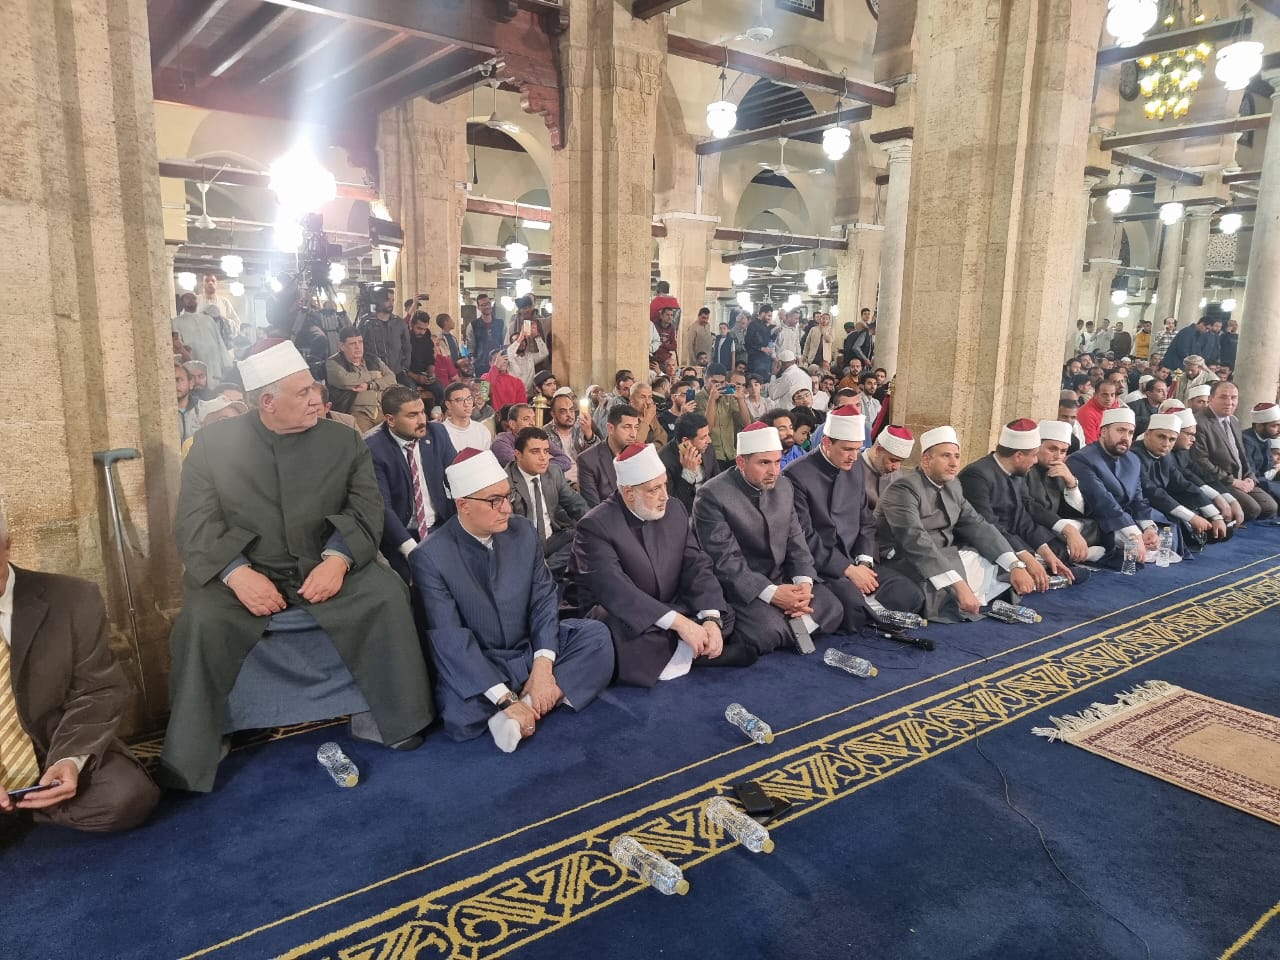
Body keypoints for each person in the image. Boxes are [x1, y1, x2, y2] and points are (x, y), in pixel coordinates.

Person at [161, 340, 435, 792]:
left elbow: (366, 507)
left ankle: (387, 715)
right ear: (267, 402)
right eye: (304, 392)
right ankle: (206, 736)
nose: (317, 399)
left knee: (387, 594)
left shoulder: (343, 438)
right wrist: (236, 574)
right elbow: (194, 523)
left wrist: (338, 559)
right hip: (243, 571)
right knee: (200, 619)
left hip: (326, 561)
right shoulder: (211, 445)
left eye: (315, 388)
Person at [411, 449, 613, 751]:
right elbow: (451, 639)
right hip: (485, 660)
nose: (507, 508)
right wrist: (503, 697)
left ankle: (530, 703)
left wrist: (542, 668)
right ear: (463, 505)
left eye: (508, 496)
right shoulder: (430, 556)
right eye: (495, 501)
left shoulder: (523, 531)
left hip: (528, 648)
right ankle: (531, 700)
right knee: (460, 716)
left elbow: (543, 600)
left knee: (596, 637)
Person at [0, 504, 159, 832]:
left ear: (7, 543)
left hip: (54, 744)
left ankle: (32, 804)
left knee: (127, 797)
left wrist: (69, 758)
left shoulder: (73, 598)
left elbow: (98, 690)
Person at [691, 422, 843, 658]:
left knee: (834, 607)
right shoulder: (712, 495)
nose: (774, 471)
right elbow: (725, 562)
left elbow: (796, 541)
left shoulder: (783, 485)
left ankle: (790, 626)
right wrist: (773, 594)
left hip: (783, 578)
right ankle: (794, 627)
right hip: (744, 587)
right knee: (767, 631)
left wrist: (803, 584)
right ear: (741, 463)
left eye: (777, 461)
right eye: (764, 463)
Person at [785, 406, 924, 632]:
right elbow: (805, 537)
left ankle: (873, 612)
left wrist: (864, 562)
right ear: (827, 443)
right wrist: (847, 569)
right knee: (852, 608)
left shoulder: (855, 466)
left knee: (910, 594)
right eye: (847, 449)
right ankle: (872, 613)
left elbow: (865, 521)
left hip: (855, 558)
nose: (853, 456)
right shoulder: (796, 474)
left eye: (858, 449)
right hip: (825, 565)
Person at [876, 426, 1033, 622]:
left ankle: (967, 593)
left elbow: (977, 524)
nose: (954, 463)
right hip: (908, 558)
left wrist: (1015, 564)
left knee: (994, 562)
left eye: (957, 456)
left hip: (947, 554)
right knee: (928, 589)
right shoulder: (904, 489)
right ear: (926, 460)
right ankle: (964, 594)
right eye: (946, 456)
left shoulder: (953, 485)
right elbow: (915, 541)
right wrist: (959, 584)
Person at [957, 419, 1085, 583]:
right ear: (1018, 456)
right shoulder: (977, 476)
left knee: (1050, 552)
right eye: (1034, 455)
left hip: (1009, 539)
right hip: (985, 542)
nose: (1036, 461)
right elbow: (988, 525)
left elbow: (1022, 517)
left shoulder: (1016, 472)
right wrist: (1024, 555)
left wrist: (1044, 550)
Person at [365, 386, 457, 583]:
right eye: (412, 415)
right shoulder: (373, 448)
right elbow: (382, 507)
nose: (422, 420)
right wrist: (412, 551)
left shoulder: (437, 433)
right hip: (401, 535)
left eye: (422, 412)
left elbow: (457, 478)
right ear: (390, 420)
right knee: (421, 585)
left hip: (440, 527)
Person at [1068, 406, 1161, 566]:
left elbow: (1138, 499)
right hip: (1100, 523)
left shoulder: (1132, 460)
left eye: (1130, 433)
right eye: (1120, 430)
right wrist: (1134, 534)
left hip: (1125, 521)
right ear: (1104, 432)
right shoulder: (1082, 459)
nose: (1126, 437)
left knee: (1158, 541)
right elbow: (1101, 500)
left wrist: (1148, 529)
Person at [1132, 410, 1228, 554]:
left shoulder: (1165, 456)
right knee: (1172, 532)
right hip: (1139, 507)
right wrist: (1192, 517)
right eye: (1161, 437)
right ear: (1147, 434)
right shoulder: (1134, 456)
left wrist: (1215, 515)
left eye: (1172, 439)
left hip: (1160, 503)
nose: (1166, 444)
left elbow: (1183, 484)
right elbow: (1152, 492)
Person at [505, 427, 588, 580]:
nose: (544, 458)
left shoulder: (553, 472)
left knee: (588, 536)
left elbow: (575, 504)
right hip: (523, 545)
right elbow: (507, 529)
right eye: (535, 452)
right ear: (518, 454)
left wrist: (594, 524)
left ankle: (544, 570)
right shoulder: (505, 481)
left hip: (552, 538)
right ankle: (548, 572)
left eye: (546, 451)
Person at [1191, 381, 1279, 521]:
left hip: (1240, 477)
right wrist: (1233, 481)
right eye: (1223, 397)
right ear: (1211, 399)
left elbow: (1241, 455)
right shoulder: (1200, 422)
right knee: (1252, 509)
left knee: (1270, 507)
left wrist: (1250, 477)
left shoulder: (1233, 420)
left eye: (1233, 398)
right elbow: (1201, 461)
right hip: (1218, 480)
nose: (1229, 402)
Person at [1025, 420, 1104, 563]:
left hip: (1055, 528)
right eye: (1052, 449)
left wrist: (1071, 484)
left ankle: (1066, 552)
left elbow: (1073, 513)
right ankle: (1069, 554)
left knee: (1092, 526)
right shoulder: (1025, 469)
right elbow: (1029, 509)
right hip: (1033, 527)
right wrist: (1065, 528)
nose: (1057, 456)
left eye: (1063, 451)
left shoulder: (1060, 470)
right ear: (1037, 447)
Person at [325, 326, 398, 432]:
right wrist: (374, 375)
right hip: (356, 412)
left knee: (397, 432)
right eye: (352, 343)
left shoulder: (372, 359)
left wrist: (370, 385)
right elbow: (345, 380)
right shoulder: (333, 363)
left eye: (360, 342)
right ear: (342, 346)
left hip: (381, 409)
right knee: (362, 438)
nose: (358, 347)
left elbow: (392, 379)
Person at [578, 403, 642, 506]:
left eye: (636, 427)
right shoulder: (588, 461)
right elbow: (594, 509)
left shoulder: (640, 455)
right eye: (627, 427)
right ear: (610, 428)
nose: (633, 434)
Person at [658, 412, 719, 513]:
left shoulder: (707, 448)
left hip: (710, 506)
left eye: (708, 435)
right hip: (686, 512)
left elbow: (717, 481)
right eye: (703, 437)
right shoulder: (664, 461)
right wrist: (688, 473)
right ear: (686, 441)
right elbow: (674, 505)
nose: (709, 440)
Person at [490, 403, 573, 472]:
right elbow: (516, 467)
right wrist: (545, 462)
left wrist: (541, 465)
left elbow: (565, 461)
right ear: (512, 424)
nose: (532, 423)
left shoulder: (538, 438)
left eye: (533, 418)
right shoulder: (502, 442)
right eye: (526, 419)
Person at [173, 291, 232, 382]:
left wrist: (227, 363)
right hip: (194, 360)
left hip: (214, 361)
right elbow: (178, 344)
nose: (191, 300)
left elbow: (219, 341)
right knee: (198, 383)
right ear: (181, 302)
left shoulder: (208, 319)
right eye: (188, 298)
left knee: (215, 383)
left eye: (193, 298)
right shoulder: (176, 322)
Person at [696, 364, 746, 468]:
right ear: (706, 379)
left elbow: (746, 424)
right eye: (715, 382)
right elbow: (706, 429)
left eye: (722, 382)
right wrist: (712, 400)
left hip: (731, 453)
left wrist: (740, 399)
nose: (719, 386)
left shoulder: (728, 396)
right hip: (711, 455)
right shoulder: (698, 399)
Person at [546, 388, 600, 484]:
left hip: (586, 477)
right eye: (563, 411)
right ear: (553, 414)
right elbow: (547, 467)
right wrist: (571, 485)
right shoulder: (545, 433)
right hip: (560, 482)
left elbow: (599, 454)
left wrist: (588, 433)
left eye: (571, 410)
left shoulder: (582, 425)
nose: (569, 415)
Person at [860, 425, 913, 513]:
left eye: (901, 461)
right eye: (893, 460)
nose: (897, 467)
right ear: (878, 450)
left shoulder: (896, 475)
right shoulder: (852, 468)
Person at [441, 381, 493, 452]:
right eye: (460, 400)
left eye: (469, 399)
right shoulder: (441, 433)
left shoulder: (482, 431)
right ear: (448, 404)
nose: (466, 404)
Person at [1243, 402, 1280, 500]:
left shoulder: (1267, 439)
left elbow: (1269, 466)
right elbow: (1251, 475)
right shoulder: (1246, 441)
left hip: (1266, 480)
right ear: (1259, 426)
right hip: (1252, 483)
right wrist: (1275, 471)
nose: (1279, 430)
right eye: (1274, 426)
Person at [196, 273, 243, 339]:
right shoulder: (195, 300)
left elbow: (237, 323)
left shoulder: (224, 302)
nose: (210, 283)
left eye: (213, 281)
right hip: (200, 341)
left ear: (216, 283)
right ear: (202, 284)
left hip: (220, 341)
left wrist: (223, 320)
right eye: (207, 281)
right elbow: (185, 321)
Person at [468, 294, 505, 376]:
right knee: (484, 384)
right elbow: (470, 346)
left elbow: (505, 343)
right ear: (478, 307)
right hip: (481, 364)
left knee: (498, 383)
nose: (487, 307)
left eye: (488, 303)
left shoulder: (500, 323)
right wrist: (473, 359)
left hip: (498, 363)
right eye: (483, 305)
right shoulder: (473, 325)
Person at [1076, 378, 1120, 445]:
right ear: (1095, 395)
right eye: (1105, 394)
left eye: (1112, 395)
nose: (1109, 399)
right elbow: (1091, 445)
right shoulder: (1087, 413)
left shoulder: (1112, 407)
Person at [744, 306, 774, 379]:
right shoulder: (753, 325)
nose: (770, 318)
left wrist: (775, 333)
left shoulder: (765, 325)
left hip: (766, 359)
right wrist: (761, 348)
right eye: (768, 316)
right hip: (756, 360)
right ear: (763, 313)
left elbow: (767, 340)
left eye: (771, 316)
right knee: (756, 380)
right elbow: (748, 341)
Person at [175, 358, 201, 444]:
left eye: (179, 380)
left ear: (191, 384)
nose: (175, 384)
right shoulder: (161, 414)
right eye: (170, 380)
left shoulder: (202, 409)